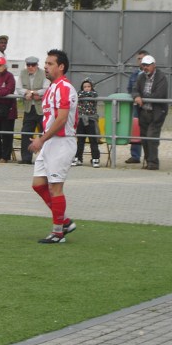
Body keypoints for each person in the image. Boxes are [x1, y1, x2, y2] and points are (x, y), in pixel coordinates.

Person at [28, 49, 78, 244]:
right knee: (38, 184)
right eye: (46, 63)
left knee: (55, 187)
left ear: (61, 67)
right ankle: (64, 221)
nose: (45, 67)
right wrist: (43, 139)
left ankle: (58, 233)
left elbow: (62, 119)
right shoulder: (51, 88)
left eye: (50, 64)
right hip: (50, 142)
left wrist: (41, 139)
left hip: (62, 142)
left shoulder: (65, 87)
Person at [131, 55, 168, 170]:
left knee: (152, 136)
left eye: (148, 65)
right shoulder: (141, 77)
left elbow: (159, 94)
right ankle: (148, 161)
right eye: (144, 65)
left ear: (154, 65)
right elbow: (134, 89)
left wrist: (143, 97)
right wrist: (137, 96)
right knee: (144, 138)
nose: (145, 67)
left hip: (156, 112)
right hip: (143, 112)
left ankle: (153, 162)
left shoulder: (161, 77)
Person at [17, 56, 48, 165]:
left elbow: (46, 88)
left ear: (37, 65)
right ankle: (26, 158)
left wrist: (34, 93)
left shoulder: (43, 73)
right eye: (28, 65)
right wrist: (27, 92)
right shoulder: (22, 73)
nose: (30, 67)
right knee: (26, 133)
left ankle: (46, 158)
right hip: (29, 109)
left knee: (45, 133)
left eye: (33, 65)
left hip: (42, 109)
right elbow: (18, 88)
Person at [125, 50, 148, 164]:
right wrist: (135, 97)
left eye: (142, 58)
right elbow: (130, 88)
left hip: (148, 106)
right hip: (136, 106)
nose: (140, 61)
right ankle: (135, 155)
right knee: (135, 130)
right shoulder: (134, 74)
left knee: (147, 130)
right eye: (139, 59)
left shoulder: (151, 74)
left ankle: (149, 156)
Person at [72, 78, 101, 168]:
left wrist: (84, 94)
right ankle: (78, 158)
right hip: (81, 119)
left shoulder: (94, 94)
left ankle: (95, 158)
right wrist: (82, 94)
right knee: (80, 140)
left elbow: (93, 95)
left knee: (93, 140)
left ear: (92, 87)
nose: (87, 88)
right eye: (85, 87)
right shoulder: (79, 94)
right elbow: (77, 94)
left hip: (91, 119)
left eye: (89, 86)